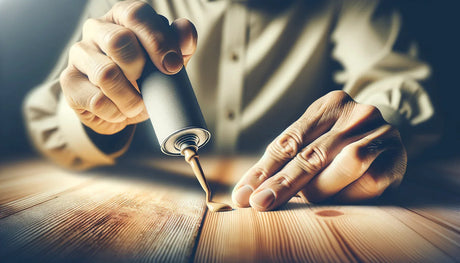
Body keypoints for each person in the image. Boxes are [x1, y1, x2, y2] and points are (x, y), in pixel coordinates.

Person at [23, 0, 435, 211]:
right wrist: (99, 113)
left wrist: (372, 137)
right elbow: (47, 115)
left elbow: (400, 82)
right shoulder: (128, 9)